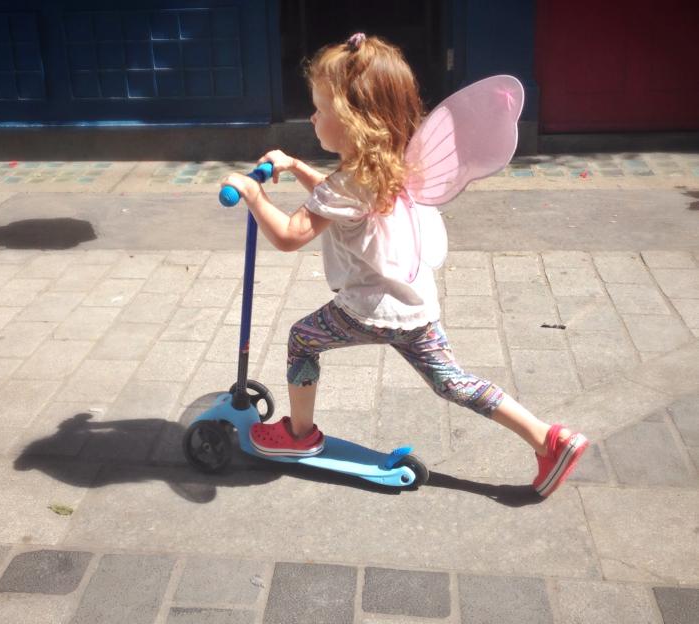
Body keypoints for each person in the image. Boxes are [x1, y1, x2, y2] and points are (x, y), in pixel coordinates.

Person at [220, 33, 588, 497]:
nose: (312, 116)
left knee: (302, 339)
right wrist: (296, 167)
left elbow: (291, 235)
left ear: (353, 121)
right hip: (413, 305)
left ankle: (298, 435)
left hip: (369, 311)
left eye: (320, 108)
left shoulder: (346, 183)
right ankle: (549, 439)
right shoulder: (388, 165)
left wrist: (255, 194)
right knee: (453, 381)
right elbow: (339, 200)